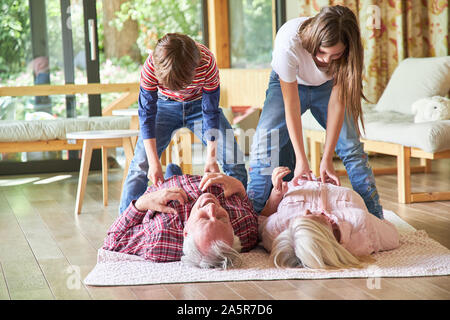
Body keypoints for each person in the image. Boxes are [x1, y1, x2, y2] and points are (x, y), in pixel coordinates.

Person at [247, 5, 384, 219]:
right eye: (321, 52)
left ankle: (375, 216)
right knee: (264, 142)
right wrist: (302, 160)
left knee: (351, 147)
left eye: (335, 55)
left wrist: (327, 158)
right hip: (288, 85)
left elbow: (337, 104)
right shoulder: (288, 42)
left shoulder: (349, 53)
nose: (326, 61)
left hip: (326, 89)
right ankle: (252, 217)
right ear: (313, 42)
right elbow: (290, 104)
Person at [119, 33, 247, 214]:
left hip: (199, 106)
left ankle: (242, 216)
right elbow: (146, 115)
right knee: (140, 165)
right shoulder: (151, 66)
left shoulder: (206, 61)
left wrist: (211, 156)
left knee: (233, 160)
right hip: (164, 107)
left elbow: (210, 110)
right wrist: (154, 163)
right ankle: (124, 223)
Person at [104, 166, 258, 269]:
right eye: (221, 218)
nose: (212, 208)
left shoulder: (160, 235)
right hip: (199, 178)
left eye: (204, 218)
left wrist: (141, 203)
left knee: (158, 170)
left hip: (164, 186)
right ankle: (174, 169)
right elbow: (250, 212)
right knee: (173, 168)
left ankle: (172, 170)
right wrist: (240, 189)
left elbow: (112, 242)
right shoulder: (244, 228)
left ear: (186, 232)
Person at [259, 167, 400, 269]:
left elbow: (261, 218)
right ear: (326, 229)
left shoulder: (276, 230)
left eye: (303, 217)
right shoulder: (360, 226)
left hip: (294, 176)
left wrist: (276, 194)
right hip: (333, 175)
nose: (307, 211)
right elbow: (393, 235)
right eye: (312, 217)